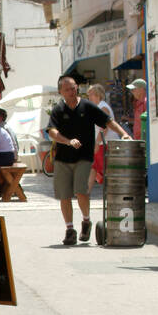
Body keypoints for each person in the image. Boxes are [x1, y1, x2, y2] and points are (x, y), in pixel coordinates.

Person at [48, 74, 131, 245]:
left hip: (84, 157)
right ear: (61, 92)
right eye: (67, 89)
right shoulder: (58, 110)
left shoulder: (87, 106)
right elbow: (52, 131)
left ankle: (86, 220)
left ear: (77, 87)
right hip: (63, 158)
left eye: (73, 88)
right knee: (64, 195)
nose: (71, 91)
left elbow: (108, 121)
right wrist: (67, 141)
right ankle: (70, 229)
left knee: (81, 192)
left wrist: (124, 134)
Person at [85, 83, 120, 193]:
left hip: (106, 143)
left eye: (91, 95)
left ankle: (113, 192)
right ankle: (86, 191)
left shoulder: (103, 107)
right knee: (93, 168)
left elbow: (104, 128)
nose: (89, 98)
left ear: (98, 95)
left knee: (104, 169)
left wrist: (96, 143)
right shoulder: (98, 107)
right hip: (101, 143)